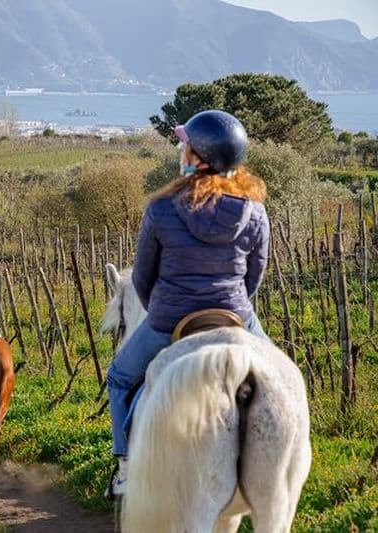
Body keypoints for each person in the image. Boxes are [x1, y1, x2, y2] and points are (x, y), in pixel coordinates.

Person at [106, 110, 271, 496]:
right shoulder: (255, 211)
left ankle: (126, 468)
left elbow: (142, 277)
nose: (181, 150)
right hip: (234, 315)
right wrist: (234, 305)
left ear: (198, 157)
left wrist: (162, 311)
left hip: (171, 318)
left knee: (119, 378)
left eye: (185, 146)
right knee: (282, 378)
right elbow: (255, 275)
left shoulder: (162, 208)